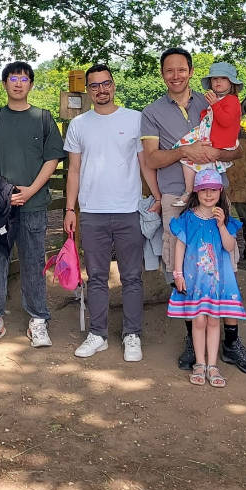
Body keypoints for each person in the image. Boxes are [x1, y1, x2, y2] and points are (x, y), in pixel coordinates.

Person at [140, 48, 246, 376]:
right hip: (177, 199)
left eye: (182, 69)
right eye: (169, 70)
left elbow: (236, 150)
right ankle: (193, 340)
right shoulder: (151, 112)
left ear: (192, 71)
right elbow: (151, 159)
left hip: (215, 196)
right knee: (182, 268)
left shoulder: (212, 101)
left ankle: (231, 341)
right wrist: (184, 151)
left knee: (225, 264)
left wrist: (212, 152)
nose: (175, 75)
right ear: (163, 74)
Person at [64, 64, 157, 362]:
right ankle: (98, 334)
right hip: (91, 212)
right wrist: (70, 208)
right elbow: (74, 170)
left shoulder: (135, 119)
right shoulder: (79, 124)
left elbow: (145, 164)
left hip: (128, 210)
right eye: (94, 85)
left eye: (106, 84)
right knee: (97, 277)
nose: (101, 90)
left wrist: (156, 197)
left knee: (132, 276)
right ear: (88, 90)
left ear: (114, 85)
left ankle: (132, 334)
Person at [0, 61, 65, 348]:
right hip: (0, 208)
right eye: (13, 78)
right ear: (4, 84)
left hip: (34, 206)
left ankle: (38, 319)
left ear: (31, 84)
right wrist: (0, 189)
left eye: (24, 79)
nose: (18, 83)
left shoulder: (43, 118)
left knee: (34, 262)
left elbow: (52, 160)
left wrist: (31, 190)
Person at [167, 169, 246, 388]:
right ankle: (199, 364)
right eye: (204, 190)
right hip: (195, 281)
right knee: (198, 320)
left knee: (213, 320)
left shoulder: (225, 219)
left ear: (220, 191)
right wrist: (178, 274)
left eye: (213, 190)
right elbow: (180, 247)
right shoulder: (188, 218)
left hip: (217, 283)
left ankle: (213, 365)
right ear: (196, 191)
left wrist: (221, 226)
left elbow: (229, 247)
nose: (209, 194)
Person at [172, 61, 243, 207]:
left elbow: (226, 121)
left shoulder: (232, 100)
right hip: (209, 137)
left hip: (218, 141)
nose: (218, 81)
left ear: (232, 83)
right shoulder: (218, 100)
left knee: (203, 164)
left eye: (223, 78)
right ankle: (190, 190)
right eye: (214, 78)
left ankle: (200, 194)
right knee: (186, 156)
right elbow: (212, 117)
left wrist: (215, 105)